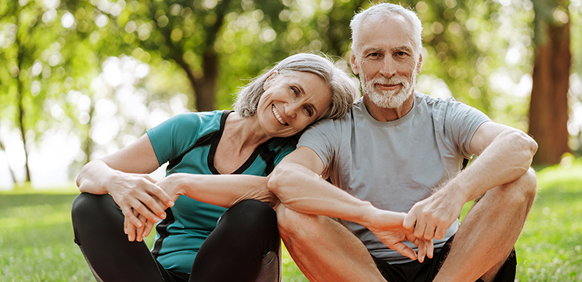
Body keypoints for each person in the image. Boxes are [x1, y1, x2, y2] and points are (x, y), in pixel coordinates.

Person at [267, 3, 538, 282]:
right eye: (374, 55)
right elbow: (286, 178)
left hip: (453, 266)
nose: (388, 70)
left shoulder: (445, 115)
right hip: (364, 270)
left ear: (418, 60)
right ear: (355, 62)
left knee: (521, 179)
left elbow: (520, 146)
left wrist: (453, 195)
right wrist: (371, 216)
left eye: (400, 54)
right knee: (292, 212)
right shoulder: (334, 127)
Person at [71, 53, 359, 282]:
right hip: (157, 275)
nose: (291, 109)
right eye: (294, 90)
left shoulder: (291, 159)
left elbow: (271, 190)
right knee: (89, 204)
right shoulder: (192, 129)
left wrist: (182, 183)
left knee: (253, 212)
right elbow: (89, 172)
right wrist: (116, 182)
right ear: (272, 79)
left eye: (308, 110)